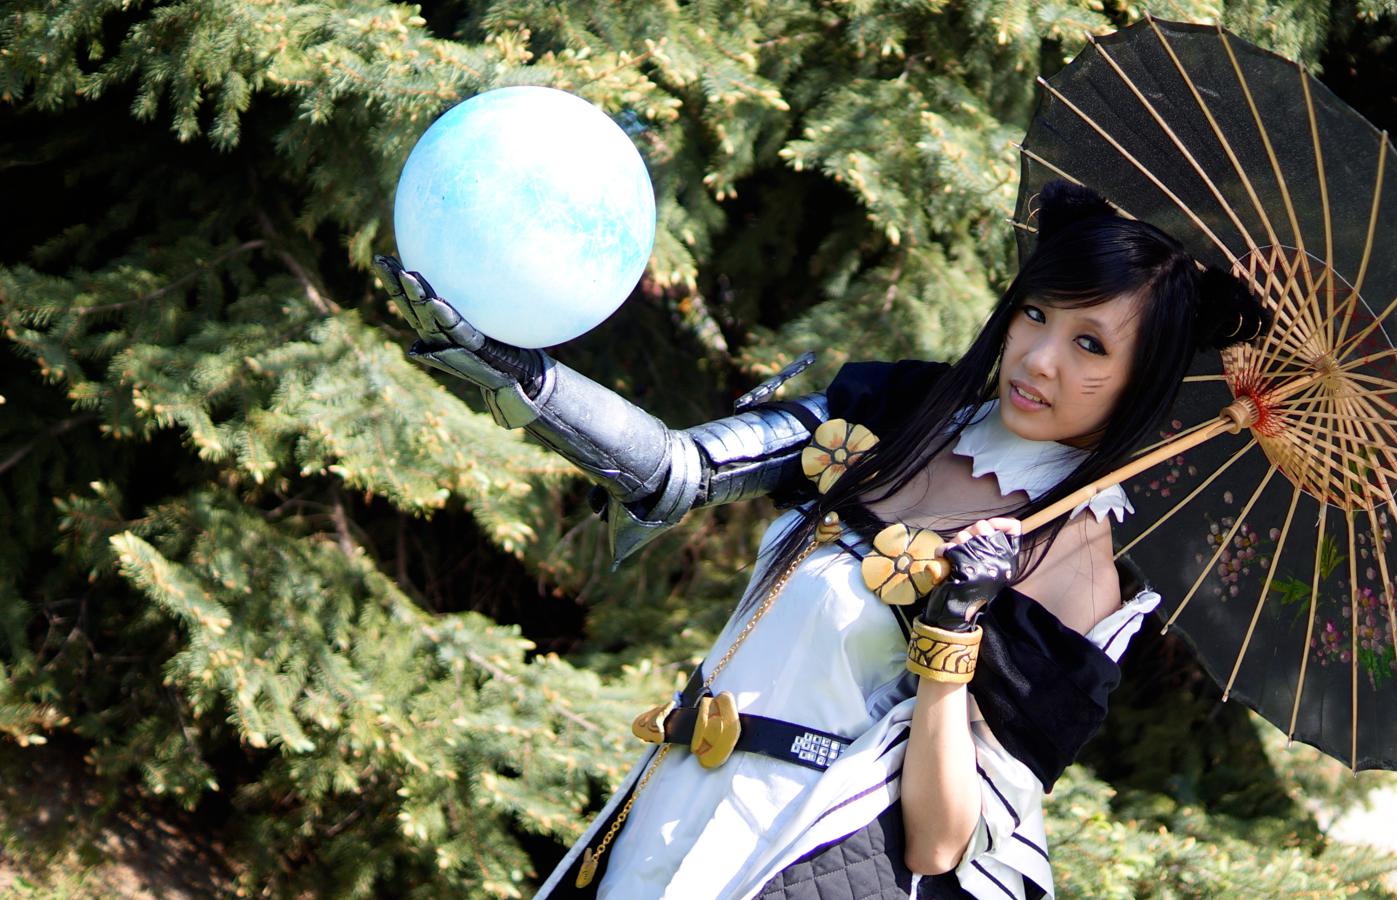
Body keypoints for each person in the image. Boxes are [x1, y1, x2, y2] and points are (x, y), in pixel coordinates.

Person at [375, 180, 1270, 899]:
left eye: (1091, 346)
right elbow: (681, 471)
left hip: (806, 853)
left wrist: (953, 631)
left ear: (1142, 378)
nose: (1041, 359)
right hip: (668, 811)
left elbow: (941, 841)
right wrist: (522, 378)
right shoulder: (899, 411)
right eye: (1036, 314)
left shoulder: (1071, 567)